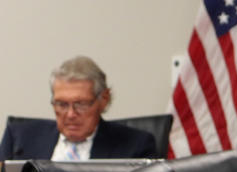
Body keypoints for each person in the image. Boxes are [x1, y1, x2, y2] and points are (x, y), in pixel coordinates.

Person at [0, 56, 158, 161]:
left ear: (103, 99)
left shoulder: (136, 147)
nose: (70, 114)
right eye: (61, 104)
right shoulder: (18, 138)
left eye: (80, 104)